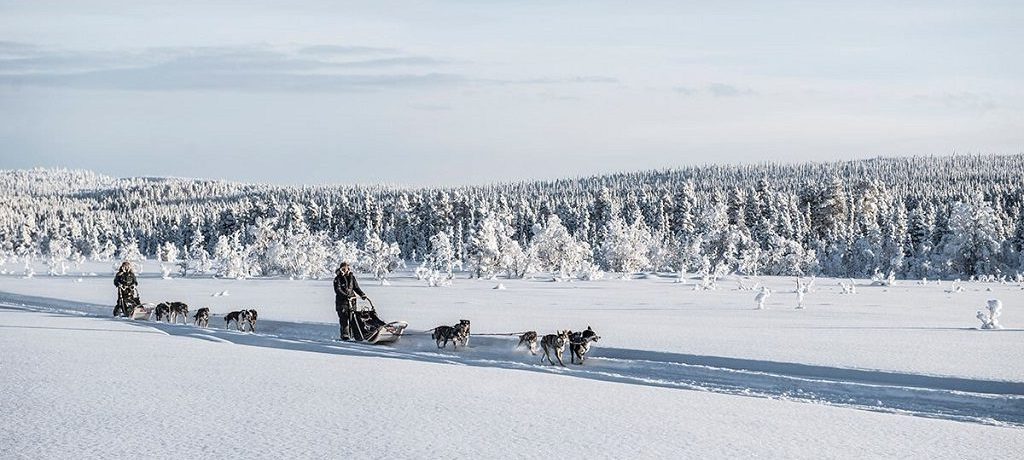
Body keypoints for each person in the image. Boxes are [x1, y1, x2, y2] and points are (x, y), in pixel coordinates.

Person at [333, 262, 368, 340]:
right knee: (344, 320)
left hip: (352, 302)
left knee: (354, 319)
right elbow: (337, 290)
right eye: (343, 269)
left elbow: (356, 288)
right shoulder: (337, 279)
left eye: (346, 268)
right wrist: (346, 296)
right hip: (342, 303)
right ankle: (345, 335)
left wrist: (362, 294)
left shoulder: (352, 277)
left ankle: (356, 335)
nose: (345, 270)